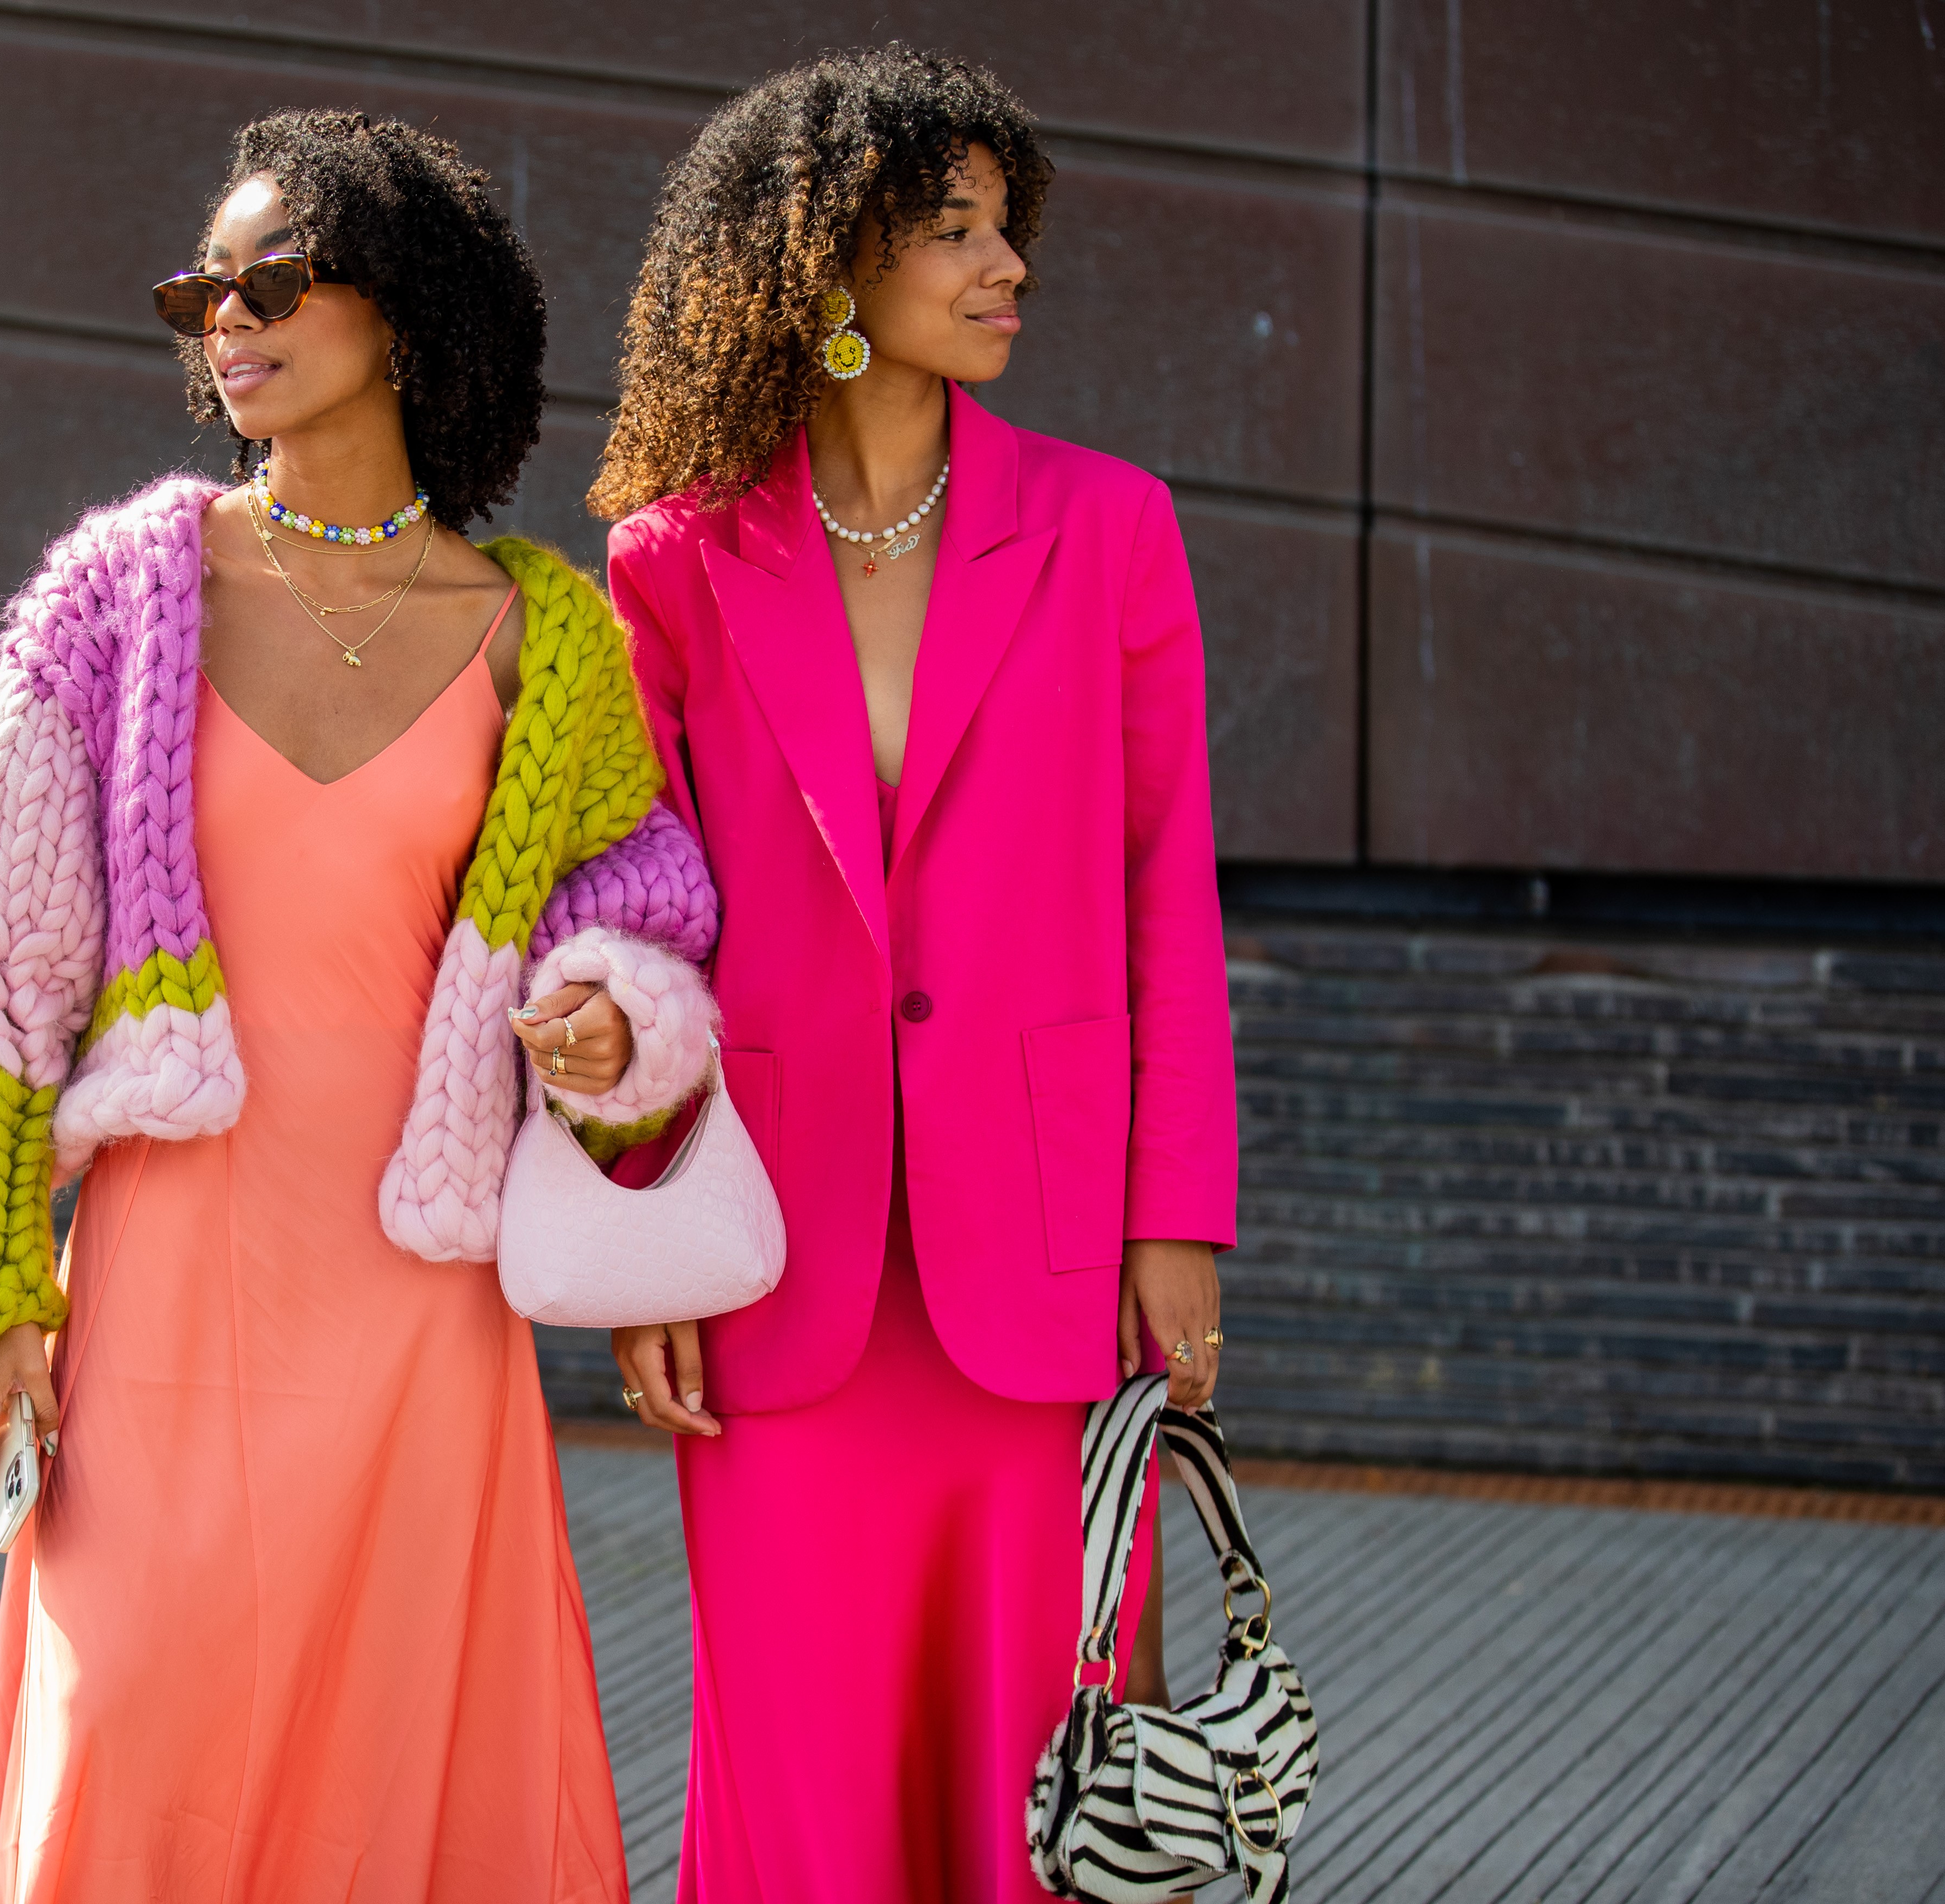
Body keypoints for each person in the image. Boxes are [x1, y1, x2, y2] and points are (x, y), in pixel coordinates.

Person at [0, 108, 721, 1904]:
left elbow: (644, 915)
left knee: (399, 1781)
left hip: (422, 1307)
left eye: (275, 276)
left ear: (404, 307)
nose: (228, 316)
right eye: (206, 286)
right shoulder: (127, 589)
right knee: (140, 1743)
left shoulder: (541, 637)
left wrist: (604, 1022)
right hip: (169, 1301)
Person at [588, 48, 1238, 1902]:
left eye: (1006, 226)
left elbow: (1161, 891)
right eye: (951, 231)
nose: (1004, 264)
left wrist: (1173, 1214)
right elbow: (641, 922)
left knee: (1048, 1776)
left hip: (1041, 1262)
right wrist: (646, 1220)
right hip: (782, 1259)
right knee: (798, 1779)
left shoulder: (1113, 527)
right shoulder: (677, 564)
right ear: (826, 274)